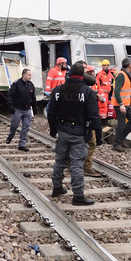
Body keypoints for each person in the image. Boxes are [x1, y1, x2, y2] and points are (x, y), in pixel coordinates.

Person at [47, 61, 100, 205]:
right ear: (82, 75)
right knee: (77, 164)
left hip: (63, 130)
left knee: (60, 161)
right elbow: (94, 115)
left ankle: (57, 187)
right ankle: (78, 196)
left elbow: (51, 112)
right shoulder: (87, 92)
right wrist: (98, 135)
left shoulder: (58, 90)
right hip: (79, 132)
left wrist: (53, 129)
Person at [6, 68, 37, 151]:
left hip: (27, 109)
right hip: (17, 109)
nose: (31, 77)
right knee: (14, 126)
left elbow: (33, 97)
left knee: (26, 127)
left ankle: (22, 144)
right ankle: (10, 136)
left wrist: (35, 107)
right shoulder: (16, 84)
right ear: (24, 75)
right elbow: (10, 95)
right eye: (29, 75)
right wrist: (10, 106)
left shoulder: (31, 85)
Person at [112, 58, 131, 152]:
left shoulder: (126, 75)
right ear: (129, 65)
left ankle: (121, 138)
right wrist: (121, 104)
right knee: (121, 124)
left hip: (127, 103)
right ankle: (117, 143)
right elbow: (117, 90)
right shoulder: (121, 75)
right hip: (121, 104)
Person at [82, 65, 103, 176]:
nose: (92, 74)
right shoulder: (86, 88)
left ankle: (72, 165)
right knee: (91, 143)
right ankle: (86, 167)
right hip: (86, 120)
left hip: (77, 121)